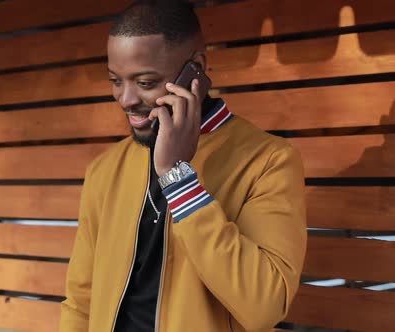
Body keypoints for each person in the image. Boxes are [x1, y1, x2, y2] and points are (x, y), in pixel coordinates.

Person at [60, 1, 307, 331]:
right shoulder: (105, 170)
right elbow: (80, 301)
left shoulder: (268, 161)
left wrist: (178, 179)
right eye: (116, 80)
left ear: (195, 69)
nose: (125, 99)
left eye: (145, 82)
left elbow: (265, 305)